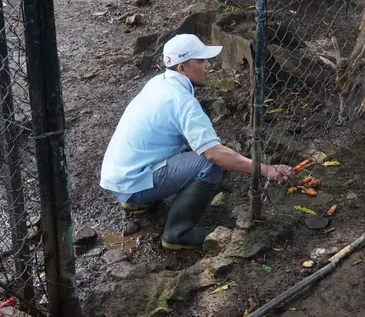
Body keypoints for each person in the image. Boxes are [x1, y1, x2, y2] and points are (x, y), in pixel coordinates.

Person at [100, 33, 295, 250]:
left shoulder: (159, 83)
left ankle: (137, 201)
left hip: (119, 176)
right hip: (132, 183)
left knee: (196, 149)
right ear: (182, 68)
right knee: (210, 163)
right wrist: (266, 169)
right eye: (201, 61)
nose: (208, 65)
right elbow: (213, 154)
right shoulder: (182, 102)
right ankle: (178, 233)